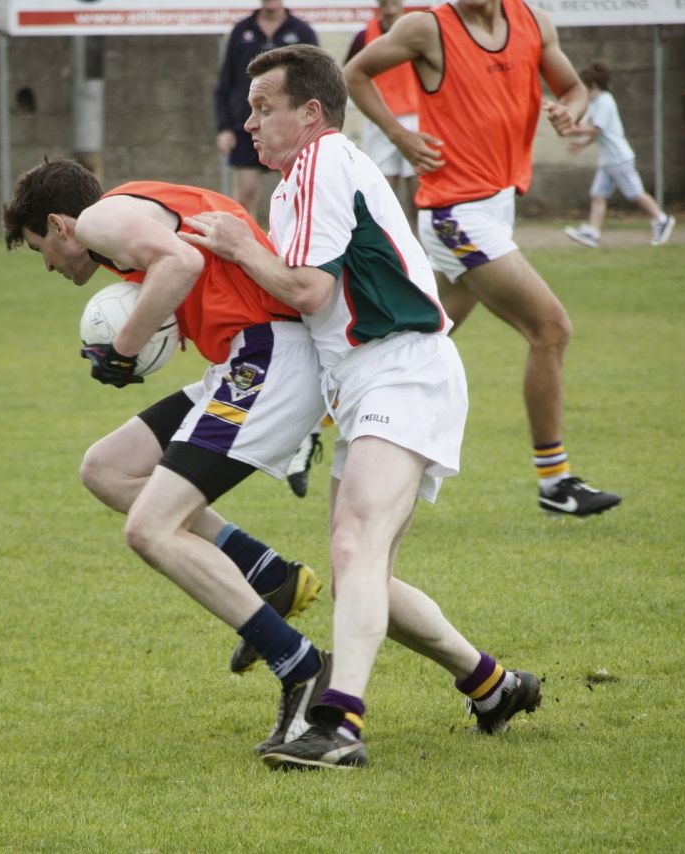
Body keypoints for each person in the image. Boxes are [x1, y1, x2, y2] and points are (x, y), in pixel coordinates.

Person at [183, 44, 541, 771]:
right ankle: (492, 686)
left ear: (310, 114)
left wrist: (234, 245)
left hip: (402, 371)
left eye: (264, 108)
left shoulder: (321, 162)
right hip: (369, 383)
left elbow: (309, 292)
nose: (249, 123)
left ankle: (338, 724)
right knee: (359, 572)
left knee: (353, 544)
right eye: (248, 109)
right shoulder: (296, 184)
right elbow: (315, 311)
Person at [2, 160, 333, 750]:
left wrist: (123, 350)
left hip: (269, 358)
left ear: (60, 224)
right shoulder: (134, 210)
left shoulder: (102, 219)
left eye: (40, 249)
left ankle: (300, 666)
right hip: (242, 360)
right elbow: (187, 268)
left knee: (150, 529)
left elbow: (182, 262)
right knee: (107, 468)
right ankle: (267, 576)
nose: (49, 264)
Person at [344, 0, 622, 517]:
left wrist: (570, 110)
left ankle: (327, 422)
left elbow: (574, 88)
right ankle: (555, 482)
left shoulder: (533, 22)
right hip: (456, 214)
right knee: (551, 329)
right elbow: (355, 73)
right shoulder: (428, 27)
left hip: (497, 207)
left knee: (422, 337)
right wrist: (400, 136)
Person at [214, 0, 318, 226]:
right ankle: (245, 258)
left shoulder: (302, 31)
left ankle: (294, 253)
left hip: (292, 128)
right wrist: (224, 128)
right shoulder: (242, 31)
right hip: (247, 127)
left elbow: (317, 84)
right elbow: (225, 84)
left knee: (300, 196)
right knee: (243, 199)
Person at [562, 60, 675, 250]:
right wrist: (580, 144)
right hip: (608, 160)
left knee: (635, 193)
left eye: (585, 87)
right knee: (598, 194)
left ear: (594, 86)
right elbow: (597, 132)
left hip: (618, 158)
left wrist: (572, 129)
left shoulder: (605, 101)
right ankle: (592, 232)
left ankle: (661, 219)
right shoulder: (597, 103)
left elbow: (596, 129)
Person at [345, 0, 420, 221]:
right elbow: (347, 76)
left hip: (417, 120)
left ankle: (423, 252)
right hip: (380, 121)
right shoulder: (364, 36)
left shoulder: (419, 30)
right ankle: (390, 249)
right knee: (381, 196)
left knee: (419, 196)